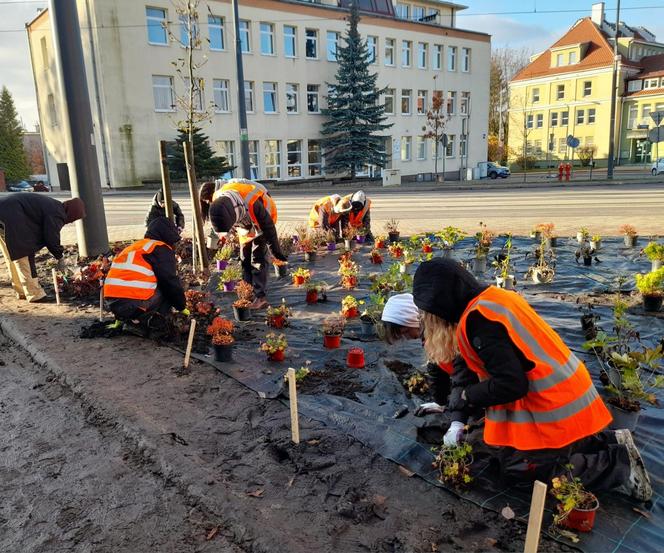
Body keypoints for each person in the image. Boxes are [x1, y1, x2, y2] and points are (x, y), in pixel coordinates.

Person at [412, 258, 652, 501]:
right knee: (514, 456)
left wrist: (469, 396)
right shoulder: (491, 300)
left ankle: (618, 465)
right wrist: (456, 419)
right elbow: (464, 373)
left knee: (523, 472)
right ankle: (608, 440)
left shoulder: (478, 321)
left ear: (439, 305)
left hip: (552, 405)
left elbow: (511, 384)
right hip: (569, 391)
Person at [207, 178, 287, 309]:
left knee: (257, 258)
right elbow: (219, 220)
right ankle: (248, 291)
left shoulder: (252, 202)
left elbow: (269, 228)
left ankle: (260, 297)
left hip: (263, 218)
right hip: (244, 222)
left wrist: (276, 251)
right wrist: (223, 236)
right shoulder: (219, 199)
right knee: (244, 257)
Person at [0, 194, 85, 303]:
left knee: (12, 255)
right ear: (72, 213)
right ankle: (35, 294)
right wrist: (60, 257)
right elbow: (51, 237)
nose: (72, 221)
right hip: (11, 215)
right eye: (75, 218)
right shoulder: (57, 213)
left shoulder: (54, 206)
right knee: (24, 254)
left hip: (5, 213)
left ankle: (22, 291)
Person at [104, 217, 186, 323]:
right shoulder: (160, 248)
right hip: (133, 304)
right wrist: (181, 306)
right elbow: (169, 281)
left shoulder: (135, 247)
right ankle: (152, 321)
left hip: (111, 303)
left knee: (156, 283)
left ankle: (128, 320)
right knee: (166, 289)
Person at [380, 292, 453, 409]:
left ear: (413, 319)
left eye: (405, 332)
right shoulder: (428, 335)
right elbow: (436, 366)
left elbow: (463, 374)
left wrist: (458, 419)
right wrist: (440, 402)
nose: (407, 338)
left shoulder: (446, 331)